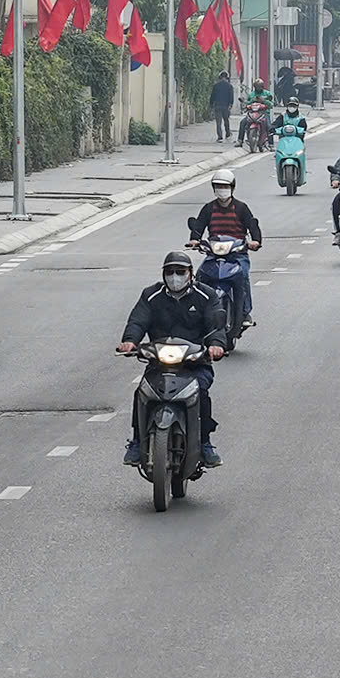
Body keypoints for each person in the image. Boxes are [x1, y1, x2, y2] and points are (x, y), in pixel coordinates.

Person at [118, 250, 230, 468]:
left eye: (180, 271)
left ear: (190, 273)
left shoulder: (206, 296)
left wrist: (216, 345)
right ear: (163, 274)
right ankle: (137, 441)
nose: (175, 276)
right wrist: (130, 341)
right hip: (159, 363)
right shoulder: (151, 295)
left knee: (202, 393)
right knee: (141, 393)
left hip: (195, 363)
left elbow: (215, 324)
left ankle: (205, 443)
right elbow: (137, 321)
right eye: (170, 272)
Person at [185, 167, 264, 332]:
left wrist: (255, 241)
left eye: (225, 186)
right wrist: (194, 240)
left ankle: (245, 312)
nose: (222, 190)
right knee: (199, 276)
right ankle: (195, 309)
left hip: (237, 254)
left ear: (232, 187)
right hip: (214, 254)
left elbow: (252, 225)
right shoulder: (209, 208)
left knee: (242, 275)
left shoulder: (241, 208)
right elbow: (198, 226)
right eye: (218, 186)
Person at [209, 72, 234, 142]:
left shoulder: (216, 86)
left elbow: (212, 97)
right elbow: (231, 97)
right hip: (226, 106)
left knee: (218, 122)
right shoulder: (229, 86)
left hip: (217, 106)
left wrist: (211, 105)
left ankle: (220, 137)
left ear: (220, 77)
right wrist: (230, 105)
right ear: (227, 78)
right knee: (226, 121)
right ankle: (228, 133)